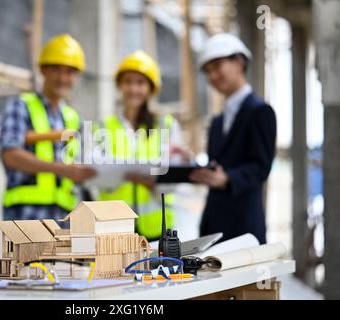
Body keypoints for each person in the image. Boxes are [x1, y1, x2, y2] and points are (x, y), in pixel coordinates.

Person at [189, 34, 277, 244]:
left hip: (244, 226)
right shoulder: (218, 121)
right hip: (213, 225)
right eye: (208, 71)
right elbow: (217, 165)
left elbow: (261, 167)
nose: (213, 75)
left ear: (239, 62)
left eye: (217, 66)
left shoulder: (260, 111)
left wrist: (228, 179)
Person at [0, 34, 96, 221]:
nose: (63, 78)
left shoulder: (74, 118)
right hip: (25, 217)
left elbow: (83, 163)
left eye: (69, 72)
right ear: (43, 70)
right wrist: (60, 169)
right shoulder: (21, 106)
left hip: (64, 218)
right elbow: (10, 155)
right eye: (56, 70)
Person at [97, 50, 188, 241]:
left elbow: (175, 178)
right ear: (120, 85)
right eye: (128, 81)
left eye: (140, 83)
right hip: (115, 226)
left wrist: (150, 181)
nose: (133, 89)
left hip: (157, 228)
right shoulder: (104, 127)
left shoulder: (167, 126)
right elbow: (96, 177)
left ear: (150, 88)